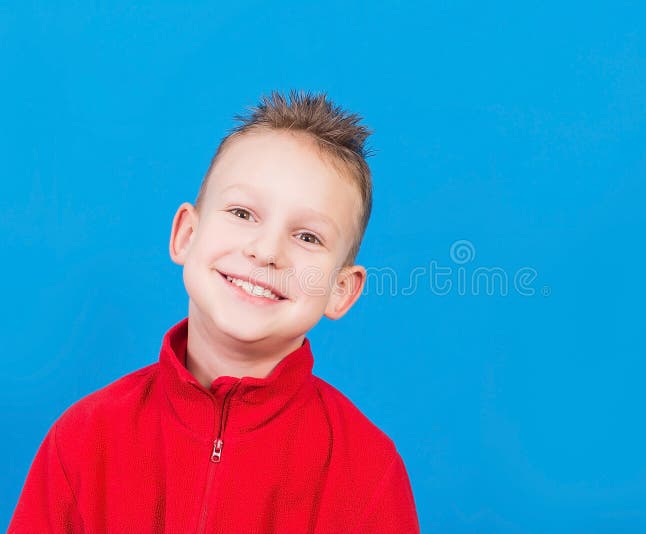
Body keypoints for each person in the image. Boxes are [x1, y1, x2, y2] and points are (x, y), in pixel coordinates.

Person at [9, 91, 420, 533]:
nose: (265, 251)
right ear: (186, 234)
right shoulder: (84, 439)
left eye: (307, 237)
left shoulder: (367, 471)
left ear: (341, 289)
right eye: (242, 212)